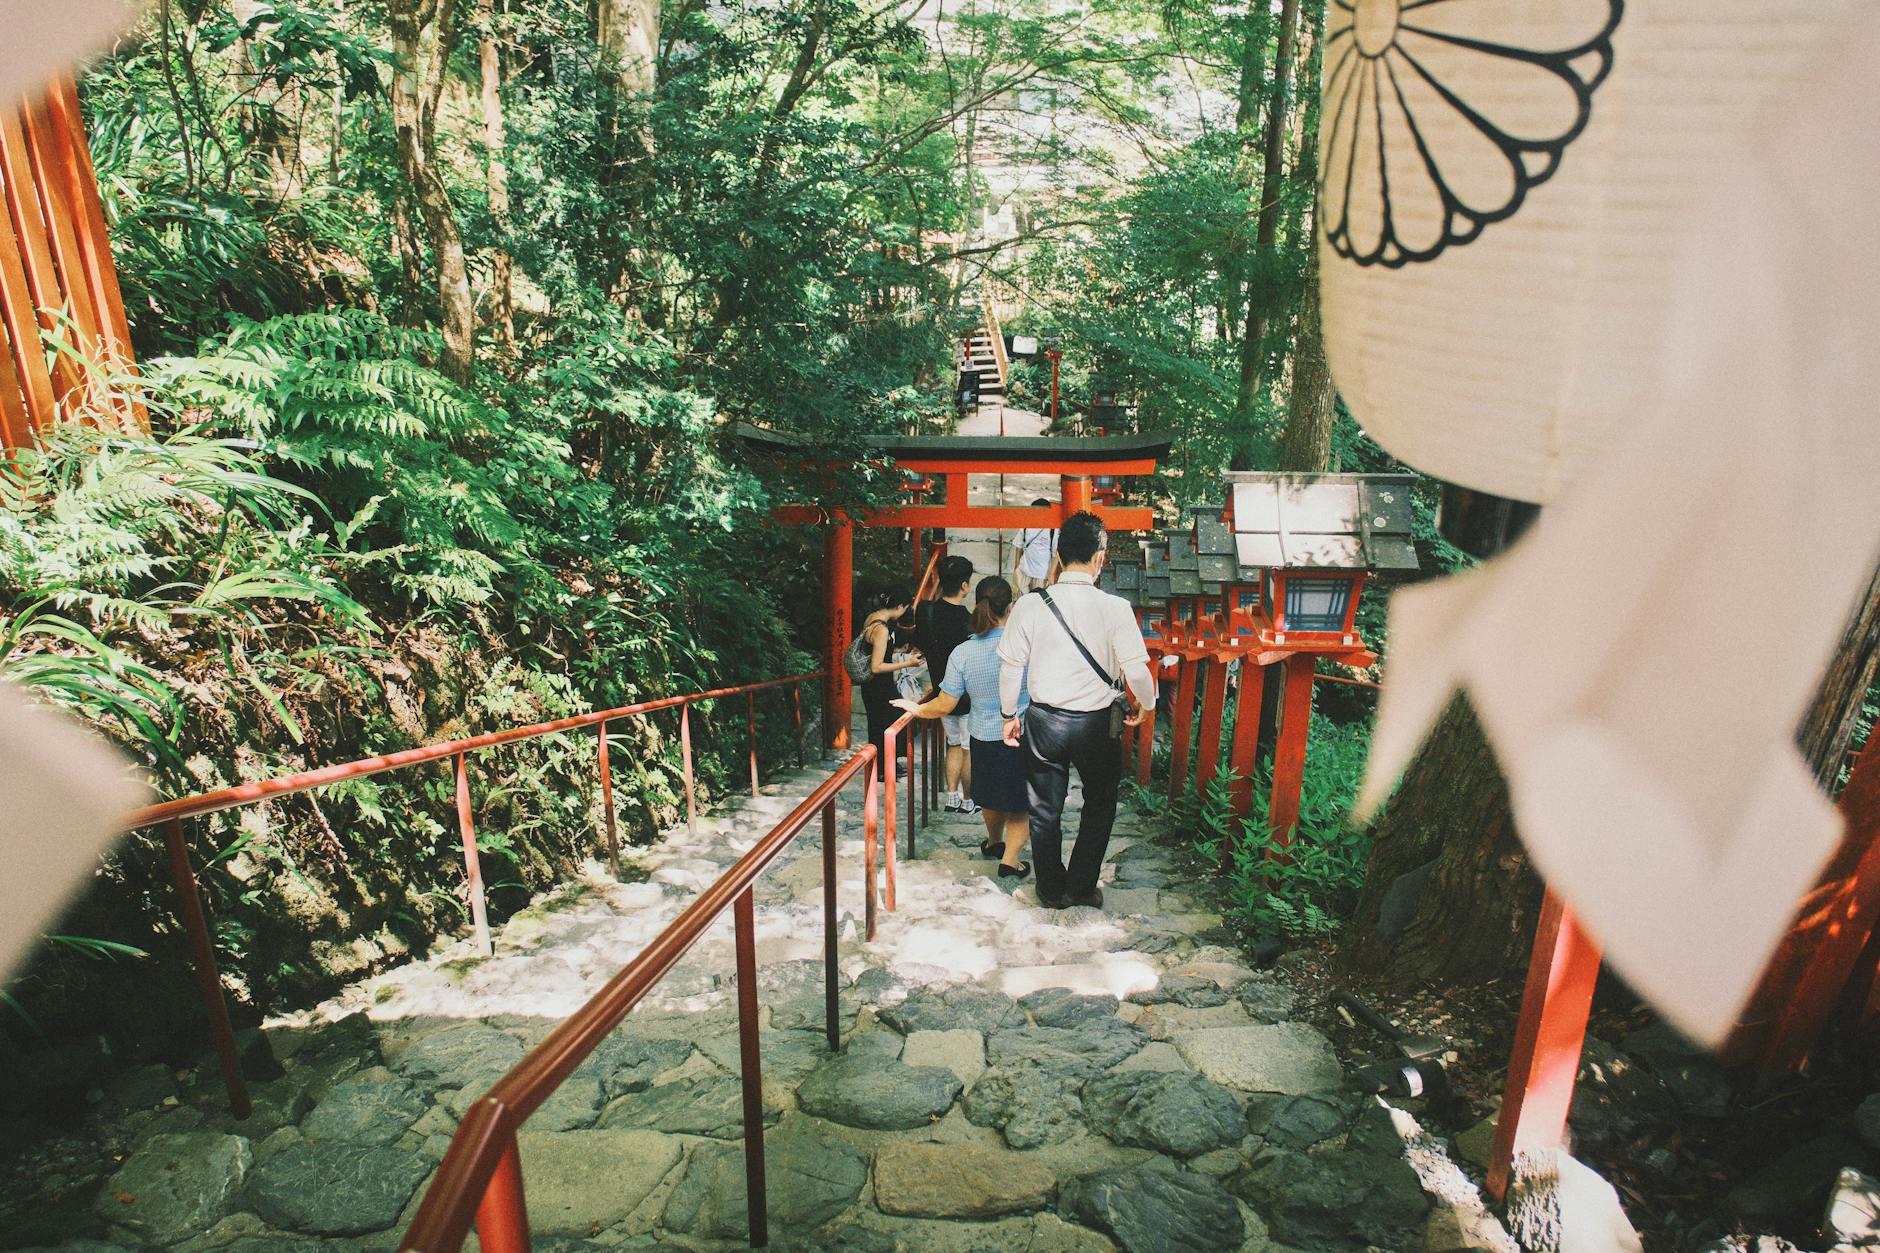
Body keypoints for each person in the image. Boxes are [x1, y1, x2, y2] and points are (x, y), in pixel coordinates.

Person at [997, 511, 1155, 908]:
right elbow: (1137, 670)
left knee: (1044, 808)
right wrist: (1147, 706)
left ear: (1059, 554)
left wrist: (1007, 716)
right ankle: (1081, 886)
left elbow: (1011, 666)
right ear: (1100, 557)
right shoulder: (1116, 608)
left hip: (1044, 720)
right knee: (1100, 802)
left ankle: (1050, 889)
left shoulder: (1030, 606)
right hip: (1097, 724)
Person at [896, 576, 1031, 880]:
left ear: (977, 604)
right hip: (1020, 734)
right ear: (1010, 607)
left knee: (991, 795)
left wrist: (917, 708)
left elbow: (944, 703)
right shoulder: (1024, 648)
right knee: (1020, 803)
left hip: (981, 733)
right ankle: (1010, 860)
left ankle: (994, 842)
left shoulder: (963, 652)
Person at [915, 554, 977, 812]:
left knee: (953, 744)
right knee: (967, 749)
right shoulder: (969, 620)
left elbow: (921, 645)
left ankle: (951, 797)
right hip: (966, 695)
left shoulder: (926, 611)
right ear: (964, 586)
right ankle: (967, 800)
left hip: (941, 691)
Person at [857, 585, 921, 781]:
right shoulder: (882, 629)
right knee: (890, 721)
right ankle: (884, 767)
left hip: (872, 685)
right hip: (879, 684)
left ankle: (884, 764)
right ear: (900, 606)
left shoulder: (872, 618)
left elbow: (877, 652)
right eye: (905, 608)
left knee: (878, 723)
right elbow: (876, 666)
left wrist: (898, 654)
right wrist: (908, 662)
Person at [1010, 501, 1058, 594]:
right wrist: (1016, 568)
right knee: (1020, 601)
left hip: (1042, 575)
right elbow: (1018, 547)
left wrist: (1051, 574)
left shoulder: (1052, 529)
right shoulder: (1026, 526)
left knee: (1038, 604)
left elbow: (1055, 554)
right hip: (1024, 571)